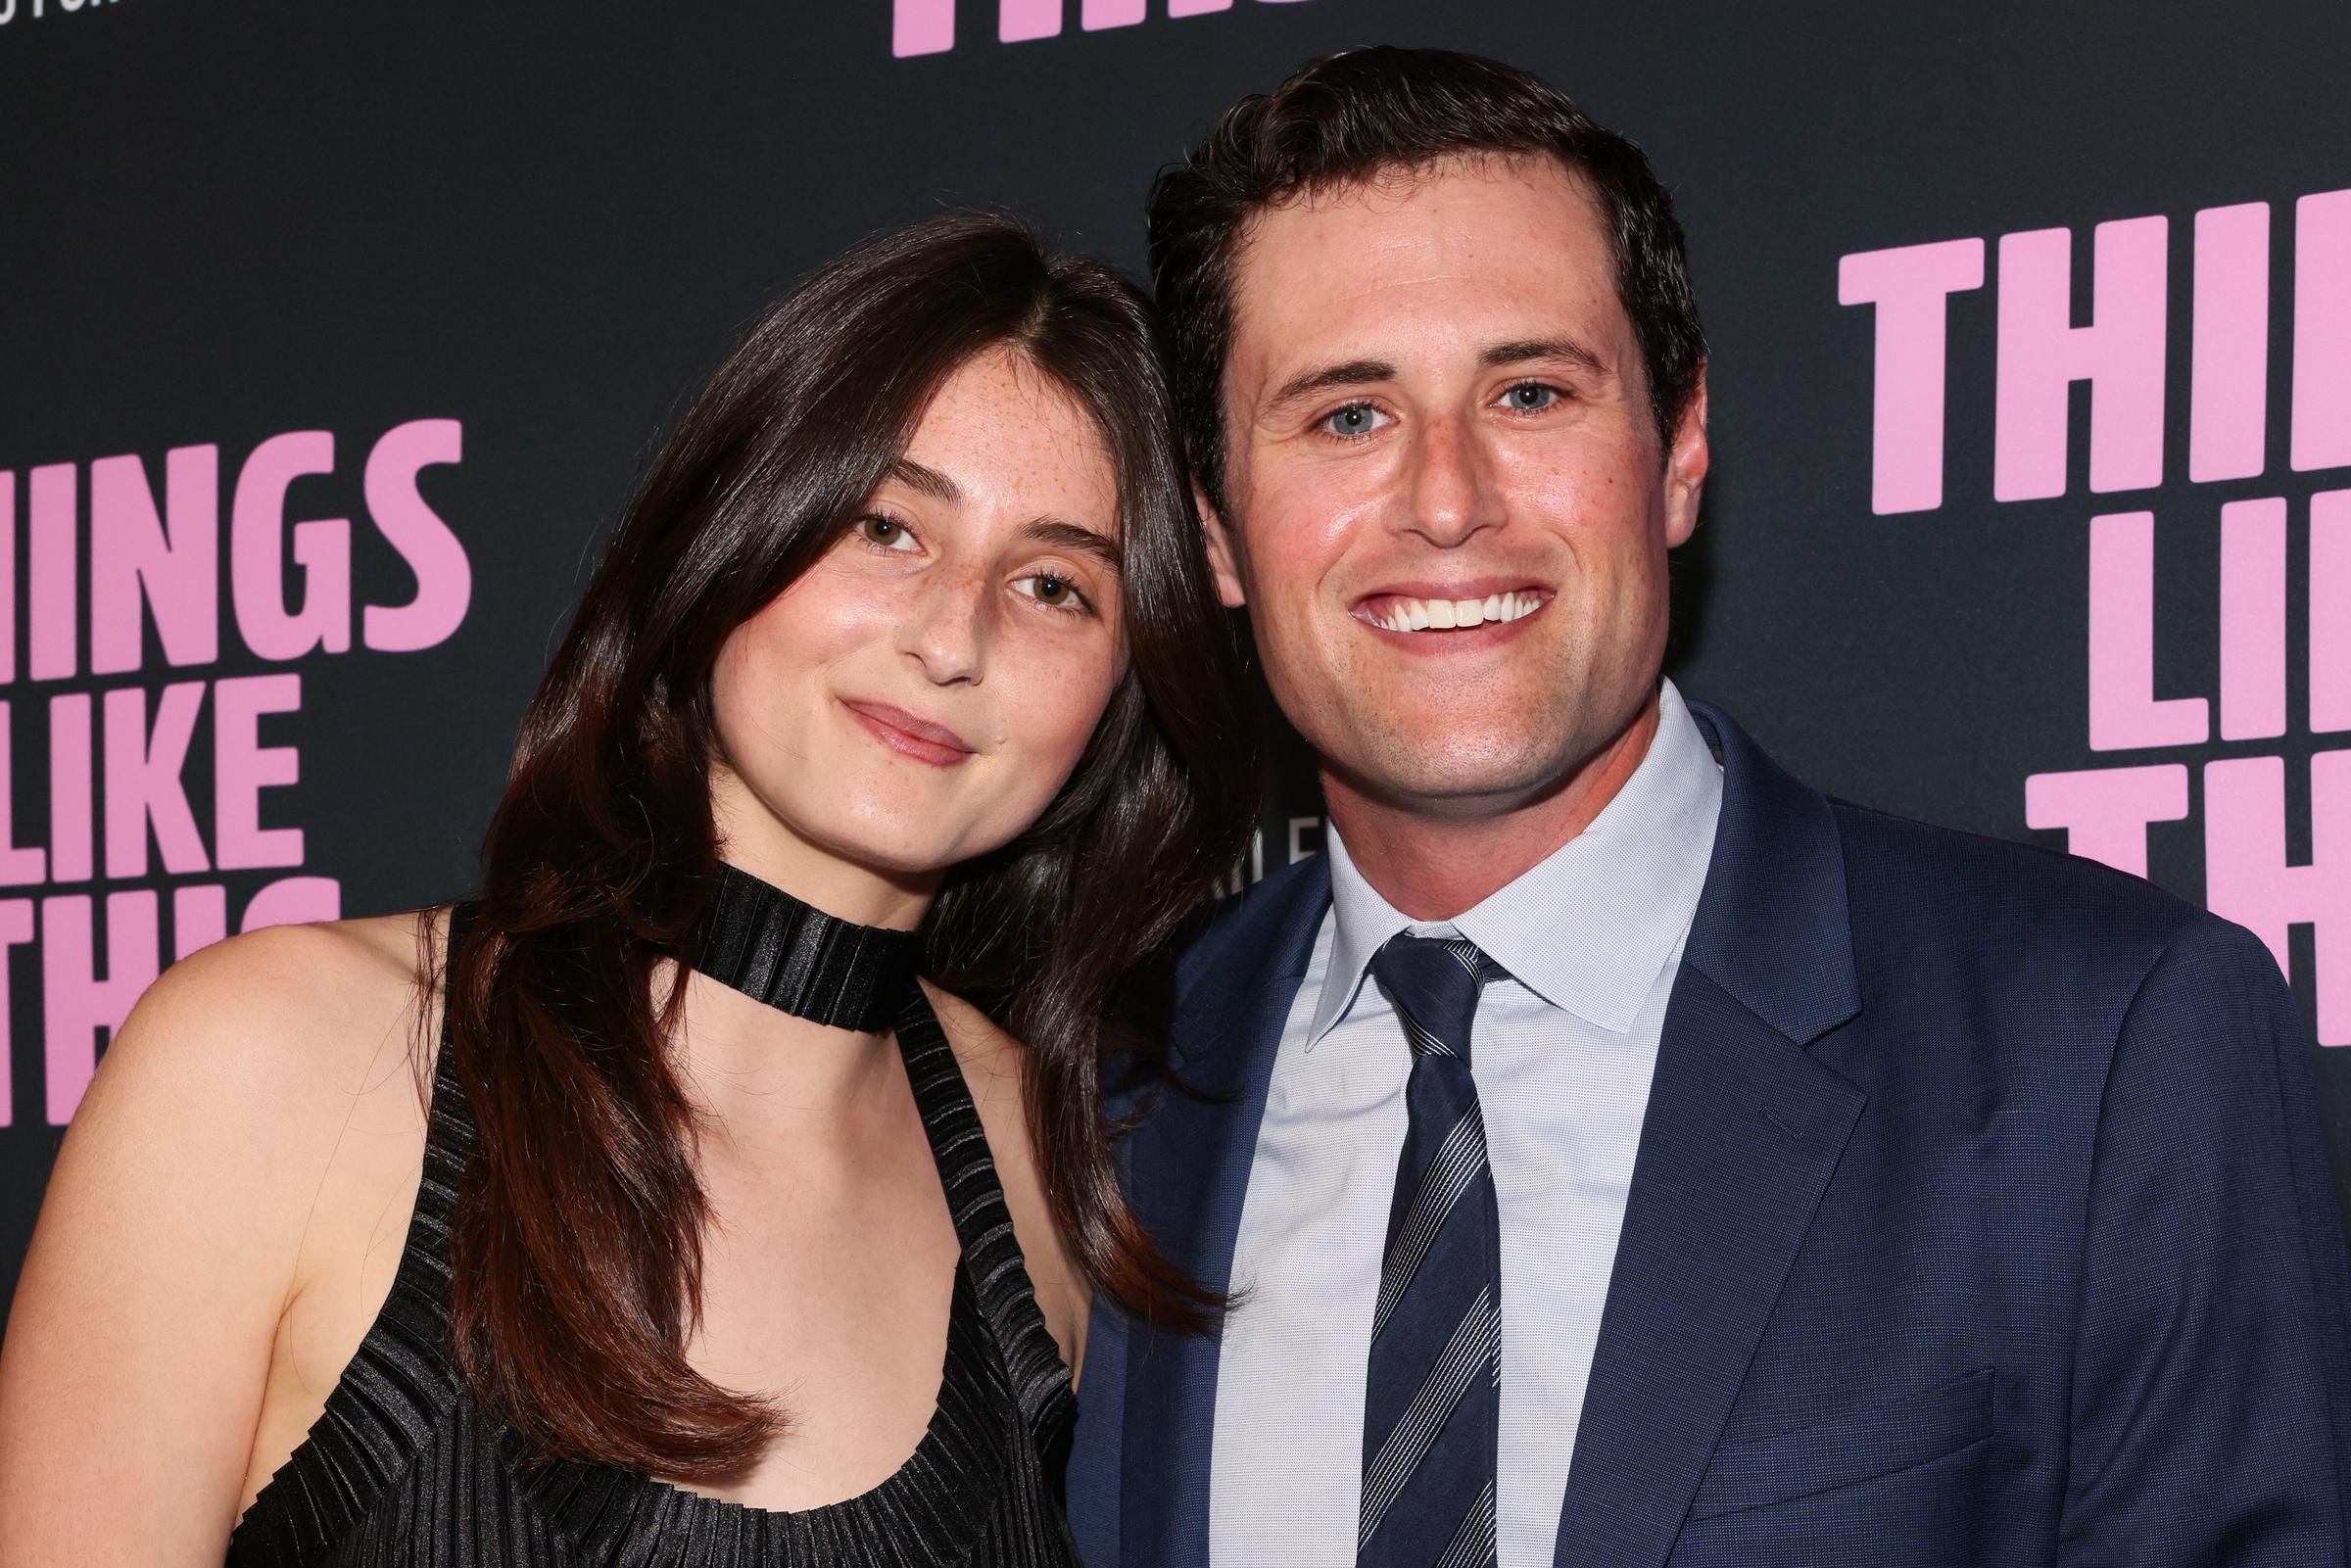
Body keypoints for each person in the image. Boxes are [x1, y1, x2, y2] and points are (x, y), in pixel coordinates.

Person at [1068, 46, 2351, 1568]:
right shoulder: (1114, 1081)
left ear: (1677, 452)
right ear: (1215, 529)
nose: (1448, 496)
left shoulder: (2107, 1044)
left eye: (1531, 391)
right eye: (1347, 417)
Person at [0, 213, 1259, 1565]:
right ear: (731, 530)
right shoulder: (276, 1064)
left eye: (1057, 584)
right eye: (886, 524)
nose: (953, 635)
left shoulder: (1047, 1165)